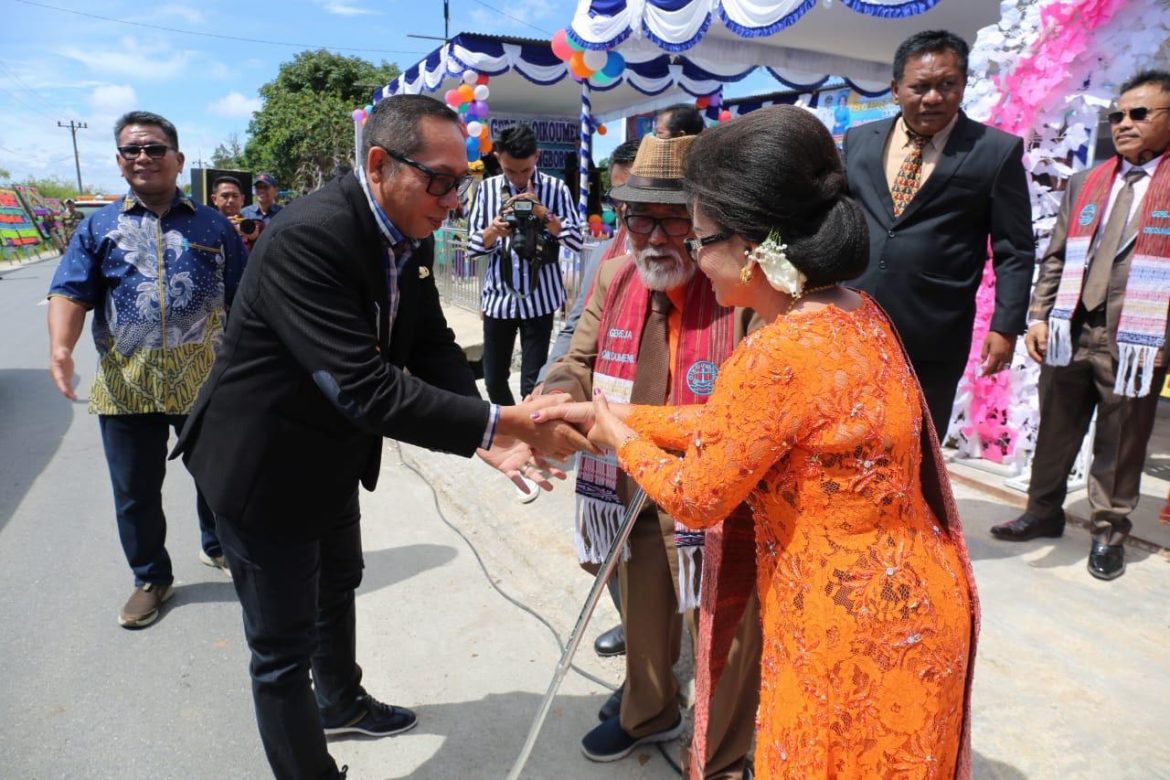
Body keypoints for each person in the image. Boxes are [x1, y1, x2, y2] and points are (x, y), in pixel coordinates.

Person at [540, 105, 980, 779]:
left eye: (699, 239)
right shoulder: (854, 312)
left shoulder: (775, 350)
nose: (691, 257)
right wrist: (613, 417)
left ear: (754, 247)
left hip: (843, 620)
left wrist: (621, 439)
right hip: (916, 603)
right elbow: (744, 429)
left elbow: (698, 493)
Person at [172, 95, 584, 780]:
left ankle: (340, 700)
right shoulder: (310, 236)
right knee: (280, 649)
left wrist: (485, 432)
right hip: (264, 466)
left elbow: (427, 342)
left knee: (339, 582)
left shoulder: (407, 231)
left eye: (464, 183)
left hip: (331, 452)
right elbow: (362, 384)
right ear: (379, 164)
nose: (454, 201)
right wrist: (498, 423)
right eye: (441, 181)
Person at [541, 134, 756, 769]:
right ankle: (649, 713)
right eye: (641, 217)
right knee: (642, 611)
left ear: (705, 225)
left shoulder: (740, 292)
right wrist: (553, 400)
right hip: (626, 478)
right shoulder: (614, 274)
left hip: (711, 489)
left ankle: (719, 754)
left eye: (675, 219)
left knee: (724, 632)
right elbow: (577, 360)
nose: (657, 237)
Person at [46, 110, 246, 628]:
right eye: (132, 150)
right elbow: (71, 291)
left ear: (177, 160)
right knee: (135, 492)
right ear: (119, 162)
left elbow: (246, 298)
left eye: (154, 148)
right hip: (126, 386)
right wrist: (61, 349)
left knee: (219, 479)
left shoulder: (213, 224)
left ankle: (221, 548)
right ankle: (151, 577)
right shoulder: (99, 227)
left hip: (204, 382)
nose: (143, 158)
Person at [991, 70, 1170, 581]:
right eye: (1117, 115)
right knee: (1056, 429)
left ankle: (1108, 532)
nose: (1124, 124)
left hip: (1137, 338)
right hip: (1071, 327)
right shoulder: (1086, 182)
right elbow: (1055, 258)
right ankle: (1041, 513)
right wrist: (1040, 316)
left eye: (1140, 114)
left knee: (1122, 439)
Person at [843, 29, 1034, 436]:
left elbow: (1014, 248)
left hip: (933, 329)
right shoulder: (860, 141)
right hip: (850, 319)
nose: (933, 97)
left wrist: (1005, 326)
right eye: (921, 86)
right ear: (895, 89)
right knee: (844, 433)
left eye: (946, 85)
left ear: (963, 86)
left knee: (916, 442)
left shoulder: (995, 151)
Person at [468, 123, 583, 409]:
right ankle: (511, 427)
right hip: (499, 299)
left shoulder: (556, 189)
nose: (519, 179)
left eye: (525, 170)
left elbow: (577, 241)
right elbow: (472, 245)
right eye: (510, 171)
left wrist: (544, 214)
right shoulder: (487, 190)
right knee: (493, 380)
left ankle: (528, 435)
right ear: (497, 158)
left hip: (540, 301)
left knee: (532, 383)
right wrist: (493, 231)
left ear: (537, 157)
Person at [211, 175, 262, 252]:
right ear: (214, 199)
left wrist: (255, 237)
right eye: (225, 196)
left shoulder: (257, 226)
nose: (231, 200)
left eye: (235, 196)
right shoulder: (207, 227)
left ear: (242, 199)